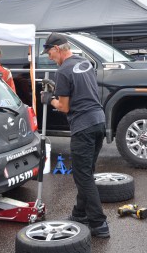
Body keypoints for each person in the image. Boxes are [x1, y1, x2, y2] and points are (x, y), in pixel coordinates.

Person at [40, 32, 110, 238]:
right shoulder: (85, 63)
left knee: (82, 176)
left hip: (83, 127)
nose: (49, 57)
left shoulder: (62, 71)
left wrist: (48, 99)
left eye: (49, 52)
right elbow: (82, 89)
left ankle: (99, 224)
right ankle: (80, 214)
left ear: (58, 48)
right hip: (99, 121)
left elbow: (63, 106)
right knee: (86, 172)